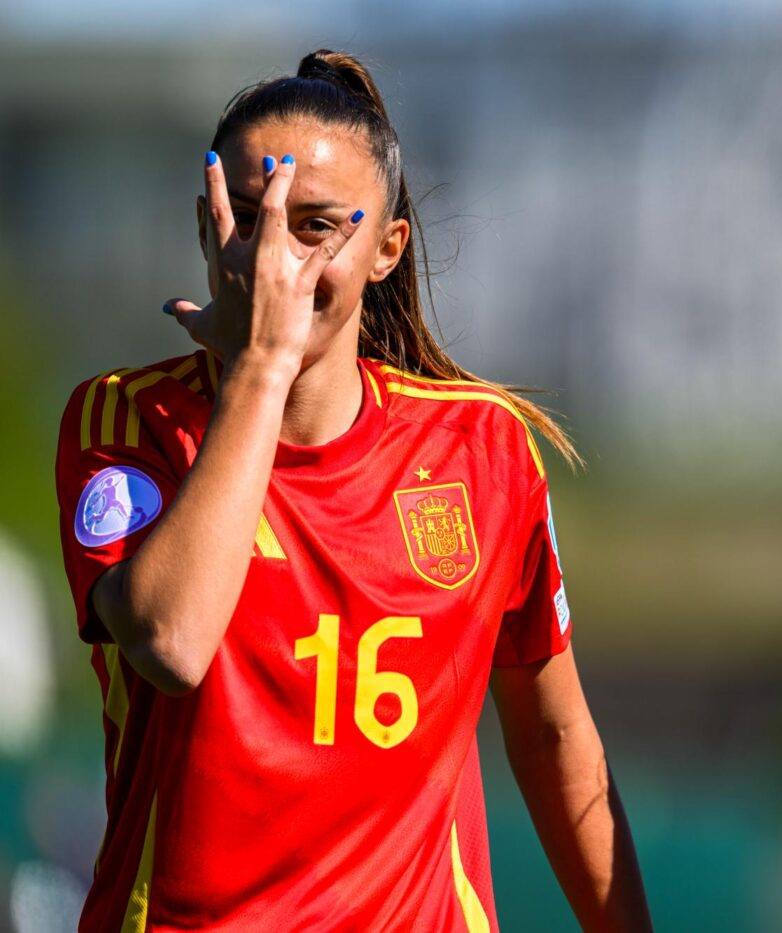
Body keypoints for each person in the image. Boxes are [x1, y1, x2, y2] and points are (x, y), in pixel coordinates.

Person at [55, 50, 651, 932]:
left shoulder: (482, 448)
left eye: (317, 228)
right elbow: (170, 643)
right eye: (249, 219)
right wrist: (260, 367)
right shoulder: (123, 422)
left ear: (386, 250)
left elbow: (552, 735)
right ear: (206, 228)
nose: (277, 262)